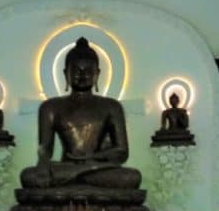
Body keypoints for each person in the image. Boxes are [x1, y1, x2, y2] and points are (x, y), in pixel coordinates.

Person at [19, 37, 141, 190]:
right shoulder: (50, 107)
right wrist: (43, 164)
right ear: (65, 73)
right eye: (76, 70)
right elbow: (45, 149)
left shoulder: (112, 107)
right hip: (65, 167)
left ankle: (78, 175)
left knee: (131, 177)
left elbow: (122, 152)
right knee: (29, 176)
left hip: (97, 168)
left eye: (88, 71)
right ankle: (80, 175)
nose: (82, 75)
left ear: (97, 73)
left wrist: (92, 159)